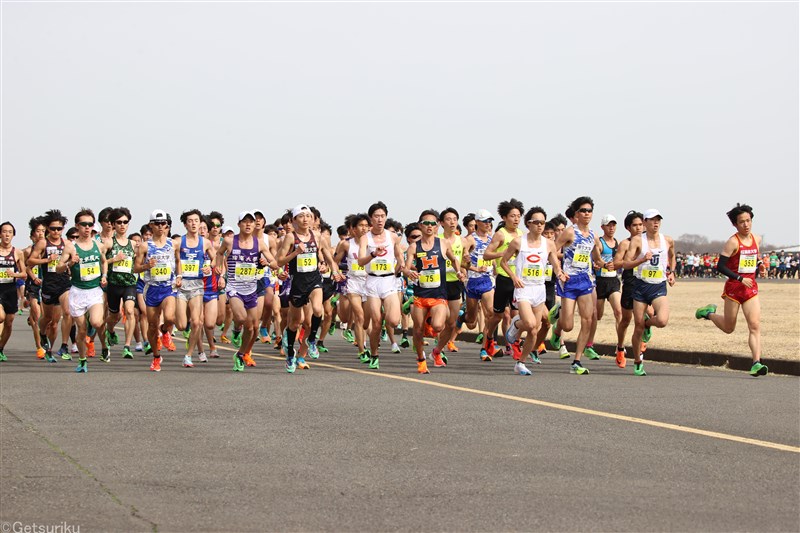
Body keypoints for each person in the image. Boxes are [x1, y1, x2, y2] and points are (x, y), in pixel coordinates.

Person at [695, 204, 767, 376]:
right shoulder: (733, 242)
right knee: (729, 327)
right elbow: (720, 266)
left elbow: (754, 256)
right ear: (735, 225)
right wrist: (740, 278)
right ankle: (709, 313)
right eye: (741, 222)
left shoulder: (757, 239)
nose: (746, 225)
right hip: (734, 288)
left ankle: (756, 363)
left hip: (751, 289)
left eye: (748, 221)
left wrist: (760, 265)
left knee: (755, 325)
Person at [500, 207, 566, 376]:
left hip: (539, 289)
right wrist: (514, 277)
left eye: (542, 222)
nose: (540, 225)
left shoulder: (548, 244)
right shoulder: (518, 242)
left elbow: (555, 264)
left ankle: (520, 362)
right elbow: (503, 262)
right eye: (536, 222)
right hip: (523, 289)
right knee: (529, 324)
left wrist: (560, 274)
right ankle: (516, 324)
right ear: (528, 224)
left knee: (534, 330)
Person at [277, 205, 341, 373]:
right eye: (301, 216)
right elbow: (279, 262)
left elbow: (328, 255)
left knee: (318, 310)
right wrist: (296, 252)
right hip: (297, 283)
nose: (305, 219)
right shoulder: (290, 238)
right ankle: (290, 353)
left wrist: (333, 270)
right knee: (294, 322)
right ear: (294, 220)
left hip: (314, 280)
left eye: (308, 216)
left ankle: (312, 339)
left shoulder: (317, 236)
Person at [217, 211, 278, 372]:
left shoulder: (259, 243)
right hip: (234, 288)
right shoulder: (230, 241)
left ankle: (241, 353)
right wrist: (219, 269)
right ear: (239, 224)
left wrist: (270, 264)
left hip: (252, 288)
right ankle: (236, 331)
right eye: (245, 221)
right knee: (243, 319)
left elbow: (272, 260)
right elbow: (219, 253)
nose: (249, 224)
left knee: (252, 328)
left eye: (251, 222)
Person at [403, 209, 461, 373]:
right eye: (426, 223)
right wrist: (409, 273)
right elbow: (406, 268)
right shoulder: (414, 247)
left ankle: (433, 336)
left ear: (437, 226)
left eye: (433, 223)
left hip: (438, 294)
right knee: (418, 330)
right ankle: (421, 359)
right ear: (420, 226)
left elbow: (454, 259)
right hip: (420, 295)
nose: (429, 226)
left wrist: (458, 271)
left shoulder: (443, 243)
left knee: (437, 326)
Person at [549, 197, 602, 375]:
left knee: (587, 319)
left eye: (589, 211)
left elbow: (596, 254)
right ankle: (558, 326)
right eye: (583, 210)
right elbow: (552, 252)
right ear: (576, 214)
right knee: (568, 325)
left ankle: (577, 361)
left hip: (585, 281)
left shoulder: (593, 235)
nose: (586, 213)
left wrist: (601, 262)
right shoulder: (570, 233)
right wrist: (559, 270)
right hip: (568, 281)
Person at [623, 209, 676, 376]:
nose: (656, 223)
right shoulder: (638, 241)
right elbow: (626, 264)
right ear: (645, 222)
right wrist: (641, 259)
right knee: (637, 327)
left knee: (662, 320)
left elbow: (672, 256)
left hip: (658, 286)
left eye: (658, 220)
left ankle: (648, 323)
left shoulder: (667, 240)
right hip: (640, 286)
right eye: (652, 220)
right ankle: (638, 361)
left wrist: (672, 272)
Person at [55, 209, 109, 371]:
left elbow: (104, 261)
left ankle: (102, 342)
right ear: (77, 226)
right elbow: (58, 268)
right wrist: (70, 264)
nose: (87, 228)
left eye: (90, 224)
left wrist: (104, 275)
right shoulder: (71, 247)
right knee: (81, 329)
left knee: (97, 322)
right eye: (83, 224)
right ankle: (83, 360)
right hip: (77, 292)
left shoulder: (99, 245)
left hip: (94, 291)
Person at [357, 201, 404, 370]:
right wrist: (373, 254)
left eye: (382, 216)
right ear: (371, 218)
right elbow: (361, 261)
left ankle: (388, 323)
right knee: (376, 322)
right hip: (372, 282)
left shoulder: (392, 236)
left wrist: (403, 266)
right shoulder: (365, 238)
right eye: (376, 216)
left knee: (393, 320)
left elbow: (399, 255)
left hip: (389, 281)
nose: (380, 219)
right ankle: (375, 354)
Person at [134, 209, 177, 372]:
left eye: (163, 223)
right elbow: (135, 268)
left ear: (167, 225)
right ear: (151, 225)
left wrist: (178, 276)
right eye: (157, 224)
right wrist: (146, 266)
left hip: (168, 287)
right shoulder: (145, 246)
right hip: (151, 288)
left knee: (170, 317)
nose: (160, 226)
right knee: (152, 325)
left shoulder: (173, 243)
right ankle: (156, 357)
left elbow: (179, 260)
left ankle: (165, 331)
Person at [104, 207, 138, 359]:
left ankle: (127, 346)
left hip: (129, 283)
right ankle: (110, 331)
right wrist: (114, 259)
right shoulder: (109, 243)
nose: (122, 225)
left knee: (130, 311)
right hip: (113, 284)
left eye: (125, 222)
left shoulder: (133, 244)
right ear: (113, 224)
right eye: (119, 222)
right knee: (114, 316)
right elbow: (100, 262)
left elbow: (137, 264)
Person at [0, 222, 29, 361]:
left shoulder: (17, 252)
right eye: (4, 231)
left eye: (10, 232)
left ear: (13, 235)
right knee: (1, 317)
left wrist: (14, 274)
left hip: (10, 290)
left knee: (9, 321)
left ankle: (1, 348)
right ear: (0, 234)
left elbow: (24, 273)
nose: (7, 234)